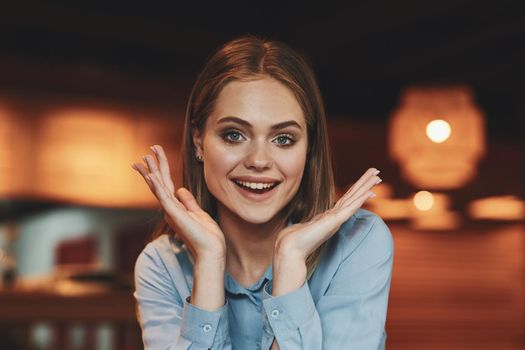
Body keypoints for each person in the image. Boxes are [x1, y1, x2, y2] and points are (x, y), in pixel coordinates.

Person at [131, 35, 394, 350]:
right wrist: (210, 262)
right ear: (199, 141)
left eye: (283, 139)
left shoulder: (357, 242)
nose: (258, 161)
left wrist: (291, 260)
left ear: (309, 148)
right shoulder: (161, 265)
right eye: (234, 135)